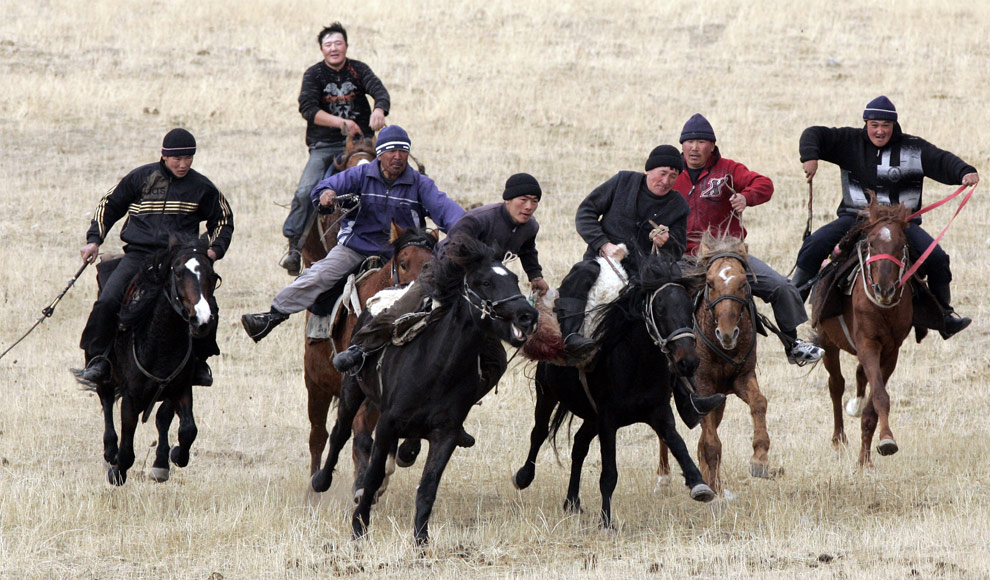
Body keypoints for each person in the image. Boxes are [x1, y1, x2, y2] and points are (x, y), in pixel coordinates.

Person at [242, 125, 464, 342]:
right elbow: (325, 186)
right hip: (356, 247)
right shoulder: (360, 174)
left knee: (445, 284)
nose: (398, 156)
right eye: (391, 151)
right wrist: (326, 194)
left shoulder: (420, 184)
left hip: (401, 253)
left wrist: (466, 229)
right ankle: (273, 315)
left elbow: (447, 211)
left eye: (403, 151)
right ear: (380, 154)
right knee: (320, 274)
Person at [555, 144, 723, 425]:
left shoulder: (677, 205)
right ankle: (572, 339)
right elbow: (585, 212)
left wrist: (666, 243)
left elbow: (678, 249)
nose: (666, 180)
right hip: (603, 263)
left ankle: (689, 399)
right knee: (580, 274)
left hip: (643, 277)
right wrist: (603, 244)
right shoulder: (622, 182)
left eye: (673, 175)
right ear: (649, 169)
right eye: (662, 173)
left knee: (671, 314)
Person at [791, 96, 977, 339]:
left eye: (886, 125)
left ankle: (944, 317)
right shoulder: (849, 141)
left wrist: (964, 171)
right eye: (875, 125)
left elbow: (941, 160)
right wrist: (810, 156)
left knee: (938, 259)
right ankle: (791, 308)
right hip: (856, 219)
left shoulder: (914, 147)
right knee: (813, 245)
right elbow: (813, 133)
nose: (880, 131)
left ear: (894, 125)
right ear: (866, 123)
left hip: (901, 224)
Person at [333, 172, 550, 373]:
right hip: (443, 272)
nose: (529, 206)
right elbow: (450, 248)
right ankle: (359, 349)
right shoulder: (479, 219)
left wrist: (536, 276)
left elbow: (528, 249)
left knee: (496, 359)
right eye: (523, 199)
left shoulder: (530, 227)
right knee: (405, 307)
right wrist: (463, 273)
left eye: (535, 201)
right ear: (508, 200)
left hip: (481, 287)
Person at [77, 128, 235, 386]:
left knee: (208, 306)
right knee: (108, 300)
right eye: (177, 159)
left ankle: (199, 362)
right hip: (139, 255)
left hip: (179, 260)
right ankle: (98, 360)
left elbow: (224, 220)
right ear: (164, 156)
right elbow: (110, 205)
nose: (183, 164)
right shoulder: (141, 178)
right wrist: (94, 240)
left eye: (189, 158)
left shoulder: (202, 187)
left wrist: (213, 251)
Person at [672, 113, 823, 366]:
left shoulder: (728, 170)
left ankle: (793, 343)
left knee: (782, 287)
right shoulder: (672, 173)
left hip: (728, 254)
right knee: (659, 292)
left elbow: (764, 184)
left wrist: (746, 197)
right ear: (682, 145)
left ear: (712, 146)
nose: (694, 147)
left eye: (701, 142)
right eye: (689, 142)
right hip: (686, 257)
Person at [280, 22, 390, 276]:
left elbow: (380, 92)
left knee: (395, 175)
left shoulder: (358, 69)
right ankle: (295, 247)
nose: (334, 48)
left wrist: (379, 109)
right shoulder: (314, 75)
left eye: (338, 43)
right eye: (328, 45)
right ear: (321, 49)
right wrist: (340, 123)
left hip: (362, 143)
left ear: (346, 46)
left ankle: (406, 235)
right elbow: (307, 109)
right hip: (324, 145)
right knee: (306, 190)